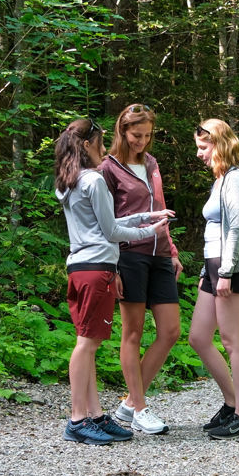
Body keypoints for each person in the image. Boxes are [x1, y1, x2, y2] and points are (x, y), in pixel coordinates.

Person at [54, 118, 175, 446]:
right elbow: (109, 231)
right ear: (86, 145)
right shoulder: (93, 180)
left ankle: (93, 415)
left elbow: (102, 222)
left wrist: (143, 217)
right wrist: (149, 232)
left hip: (79, 266)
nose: (104, 148)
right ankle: (78, 419)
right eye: (100, 142)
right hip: (97, 268)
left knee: (86, 341)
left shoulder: (68, 182)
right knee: (87, 344)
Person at [97, 103, 183, 435]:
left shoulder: (151, 163)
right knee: (132, 332)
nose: (142, 142)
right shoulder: (108, 168)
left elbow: (159, 209)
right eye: (136, 135)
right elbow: (104, 222)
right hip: (128, 255)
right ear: (122, 130)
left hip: (160, 252)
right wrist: (113, 264)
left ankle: (129, 404)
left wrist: (172, 250)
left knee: (171, 330)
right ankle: (140, 407)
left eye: (147, 135)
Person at [185, 118, 239, 440]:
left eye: (204, 148)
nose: (200, 154)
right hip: (213, 265)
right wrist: (210, 270)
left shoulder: (238, 180)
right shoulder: (220, 180)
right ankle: (231, 403)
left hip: (232, 267)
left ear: (218, 143)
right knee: (199, 337)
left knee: (232, 342)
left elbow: (237, 228)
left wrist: (226, 272)